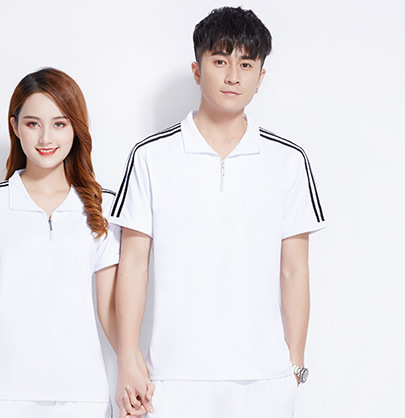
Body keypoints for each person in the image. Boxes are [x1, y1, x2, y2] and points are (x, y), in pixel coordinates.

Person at [110, 7, 327, 418]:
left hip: (265, 382)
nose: (233, 76)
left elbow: (295, 269)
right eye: (220, 61)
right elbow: (133, 265)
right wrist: (127, 360)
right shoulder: (151, 156)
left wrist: (294, 367)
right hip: (172, 379)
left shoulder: (287, 161)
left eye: (246, 64)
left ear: (261, 77)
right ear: (197, 70)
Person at [0, 67, 148, 418]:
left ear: (76, 128)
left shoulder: (103, 205)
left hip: (83, 398)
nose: (46, 137)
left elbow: (109, 309)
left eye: (59, 124)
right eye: (33, 124)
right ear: (15, 127)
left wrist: (134, 369)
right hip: (2, 397)